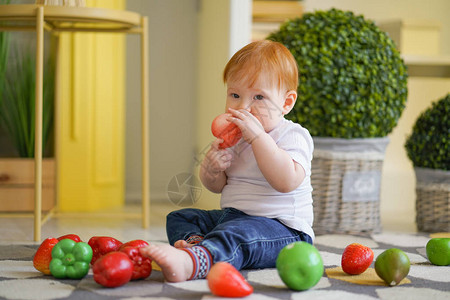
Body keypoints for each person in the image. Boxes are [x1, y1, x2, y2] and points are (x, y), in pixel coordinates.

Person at [140, 40, 314, 282]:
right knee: (181, 217)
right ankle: (198, 245)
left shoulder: (292, 135)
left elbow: (287, 181)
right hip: (234, 216)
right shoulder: (233, 139)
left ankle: (195, 262)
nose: (243, 107)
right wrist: (212, 170)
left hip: (282, 230)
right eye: (235, 95)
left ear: (286, 103)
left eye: (259, 97)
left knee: (238, 234)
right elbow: (217, 187)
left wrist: (258, 138)